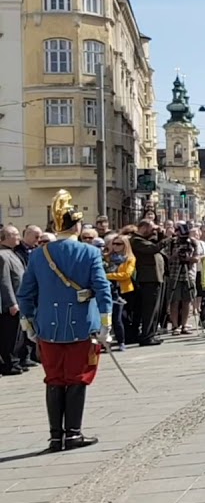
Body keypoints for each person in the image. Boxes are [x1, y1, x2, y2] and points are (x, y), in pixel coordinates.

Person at [17, 190, 113, 452]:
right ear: (77, 226)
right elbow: (103, 290)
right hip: (82, 325)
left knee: (54, 379)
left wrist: (29, 325)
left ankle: (55, 436)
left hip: (48, 327)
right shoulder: (89, 253)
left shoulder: (38, 254)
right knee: (78, 377)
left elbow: (25, 294)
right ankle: (72, 433)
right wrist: (106, 324)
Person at [129, 220, 166, 346]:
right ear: (143, 228)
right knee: (149, 309)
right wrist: (167, 239)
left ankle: (151, 333)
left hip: (155, 278)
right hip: (147, 279)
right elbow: (153, 249)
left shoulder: (145, 239)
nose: (153, 231)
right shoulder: (136, 240)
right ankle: (146, 336)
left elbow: (155, 244)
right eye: (151, 228)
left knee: (155, 309)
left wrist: (161, 234)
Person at [0, 226, 26, 375]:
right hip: (12, 303)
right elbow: (5, 281)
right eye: (15, 234)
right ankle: (10, 364)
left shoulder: (12, 253)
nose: (18, 237)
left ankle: (15, 362)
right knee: (10, 336)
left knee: (18, 335)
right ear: (6, 238)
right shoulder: (3, 255)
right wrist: (11, 302)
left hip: (20, 299)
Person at [164, 224, 199, 336]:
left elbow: (197, 258)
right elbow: (166, 259)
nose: (183, 237)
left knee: (187, 301)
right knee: (174, 301)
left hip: (188, 275)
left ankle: (184, 325)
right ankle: (175, 326)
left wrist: (188, 259)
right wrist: (175, 255)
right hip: (175, 275)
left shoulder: (193, 242)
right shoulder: (171, 242)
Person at [104, 235, 135, 347]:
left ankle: (124, 339)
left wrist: (107, 276)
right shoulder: (107, 257)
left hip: (124, 289)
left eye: (119, 244)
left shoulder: (130, 258)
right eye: (114, 243)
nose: (116, 246)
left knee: (123, 316)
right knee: (112, 316)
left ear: (125, 245)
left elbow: (126, 275)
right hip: (110, 288)